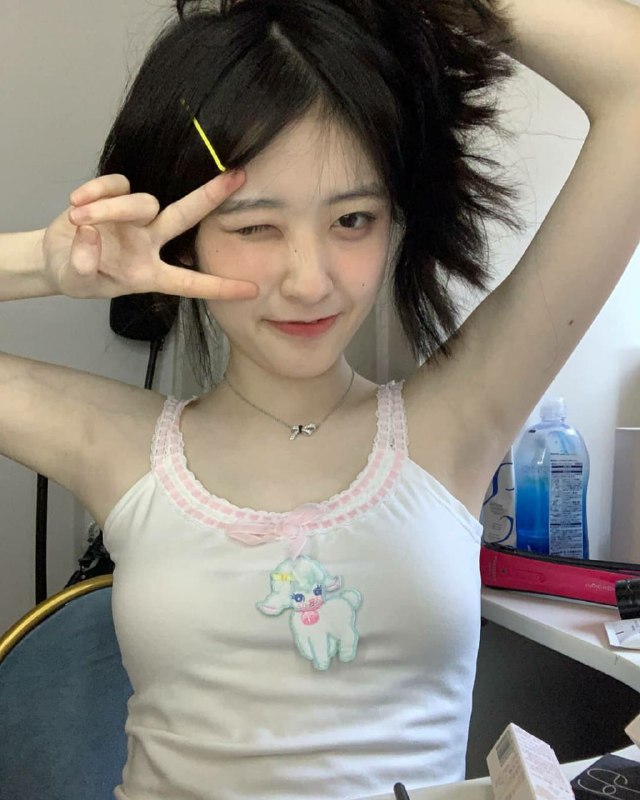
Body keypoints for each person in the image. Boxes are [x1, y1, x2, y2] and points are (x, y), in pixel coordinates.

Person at [1, 0, 639, 797]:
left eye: (352, 219)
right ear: (184, 238)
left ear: (396, 220)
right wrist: (43, 264)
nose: (310, 281)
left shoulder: (457, 421)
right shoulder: (115, 444)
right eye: (254, 227)